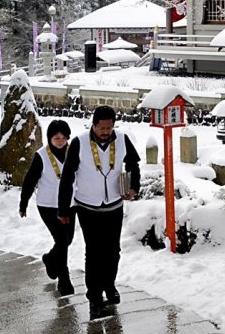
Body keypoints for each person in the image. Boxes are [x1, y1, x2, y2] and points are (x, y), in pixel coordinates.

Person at [58, 105, 140, 321]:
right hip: (87, 206)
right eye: (102, 127)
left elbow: (133, 164)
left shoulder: (122, 139)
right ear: (93, 125)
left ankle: (109, 285)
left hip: (113, 204)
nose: (106, 131)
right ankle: (94, 298)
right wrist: (63, 208)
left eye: (109, 127)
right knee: (94, 252)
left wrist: (133, 187)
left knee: (113, 250)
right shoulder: (79, 143)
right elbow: (67, 177)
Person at [19, 119, 76, 296]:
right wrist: (24, 202)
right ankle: (64, 279)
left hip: (70, 204)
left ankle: (50, 258)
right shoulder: (41, 156)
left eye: (63, 137)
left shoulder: (73, 152)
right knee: (61, 240)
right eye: (56, 137)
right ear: (50, 137)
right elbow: (30, 180)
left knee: (67, 239)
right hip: (48, 205)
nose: (60, 141)